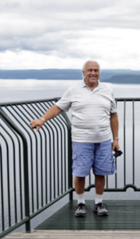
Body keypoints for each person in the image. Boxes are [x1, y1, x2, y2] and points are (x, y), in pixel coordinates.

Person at [30, 60, 120, 217]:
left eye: (96, 70)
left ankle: (98, 203)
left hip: (104, 139)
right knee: (80, 172)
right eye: (90, 70)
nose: (93, 73)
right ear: (83, 73)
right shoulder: (73, 90)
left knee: (101, 172)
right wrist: (42, 119)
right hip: (81, 139)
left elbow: (113, 115)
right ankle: (80, 204)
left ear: (99, 73)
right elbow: (58, 107)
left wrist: (116, 139)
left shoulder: (107, 90)